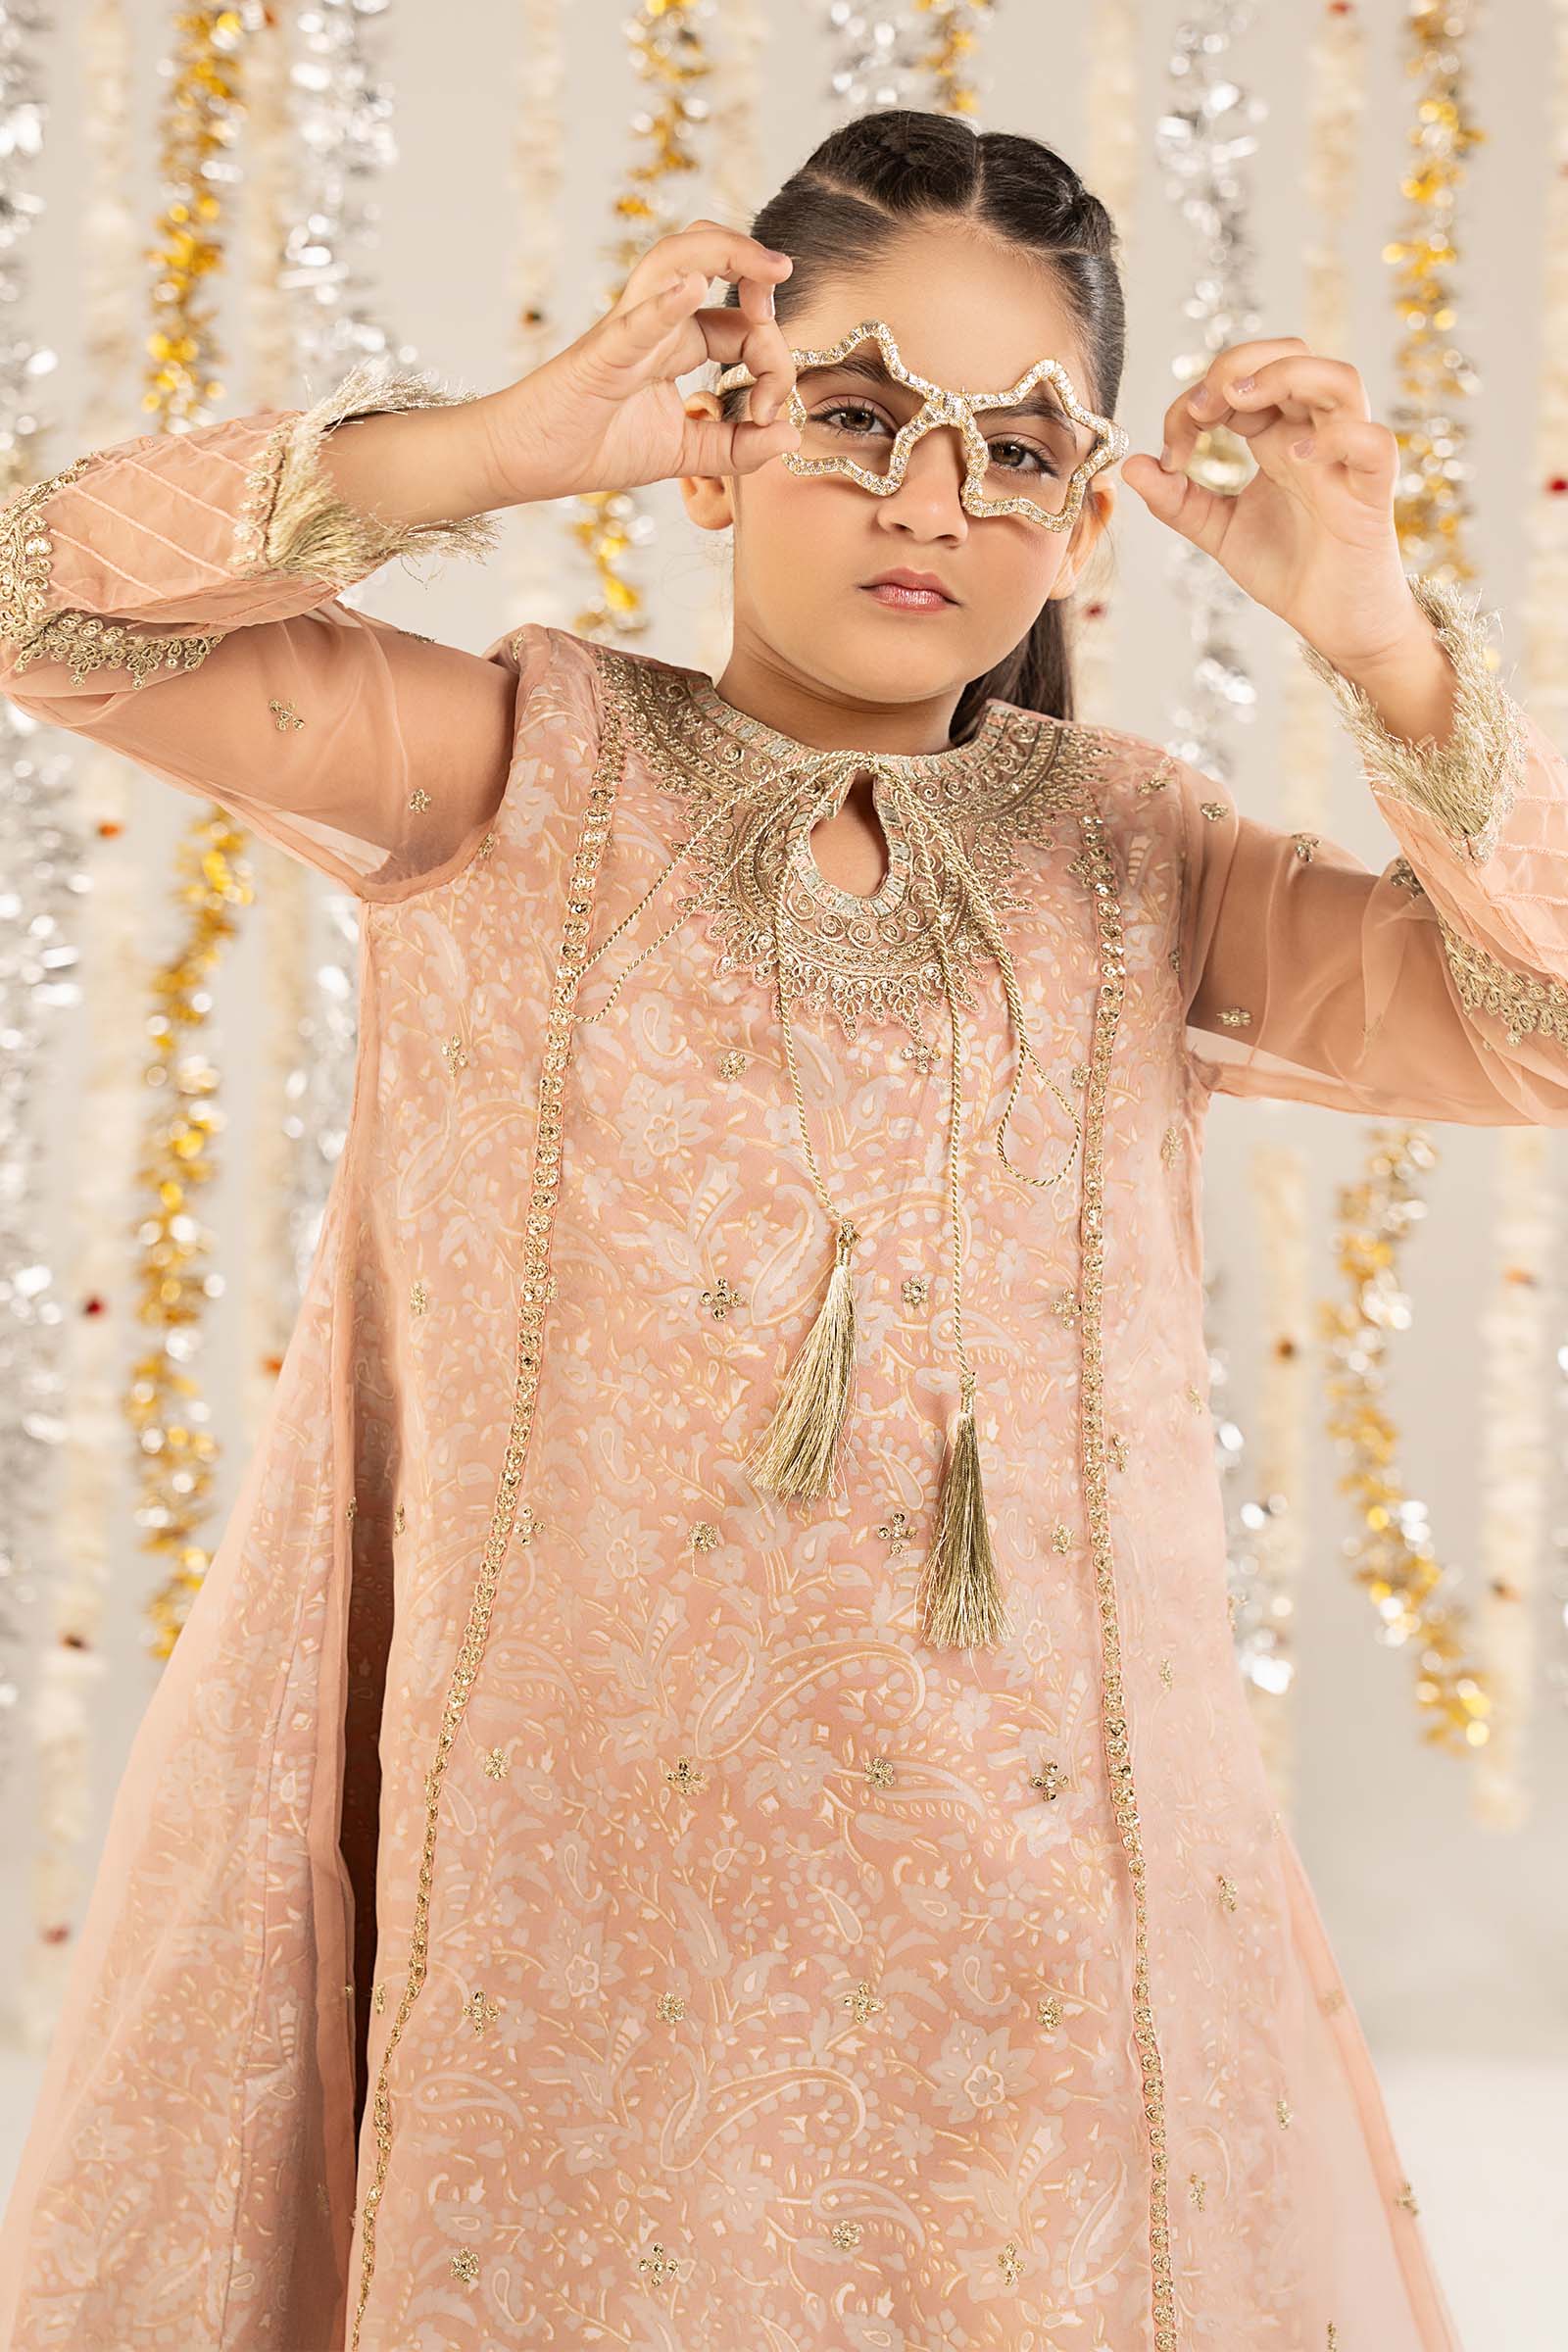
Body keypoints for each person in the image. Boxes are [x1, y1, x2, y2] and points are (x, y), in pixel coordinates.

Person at [0, 103, 1552, 2352]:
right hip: (570, 1932)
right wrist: (501, 445)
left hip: (1031, 1922)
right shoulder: (517, 769)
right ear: (720, 439)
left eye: (1012, 450)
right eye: (853, 416)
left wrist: (1380, 644)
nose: (929, 499)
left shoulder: (1141, 862)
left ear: (1083, 521)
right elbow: (41, 602)